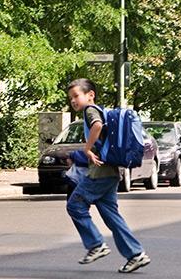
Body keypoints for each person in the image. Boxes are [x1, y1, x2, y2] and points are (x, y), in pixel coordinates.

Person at [64, 78, 150, 274]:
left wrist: (86, 149)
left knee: (75, 205)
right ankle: (136, 255)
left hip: (100, 173)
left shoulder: (90, 110)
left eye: (76, 96)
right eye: (71, 99)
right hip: (111, 171)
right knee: (112, 216)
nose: (74, 101)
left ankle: (96, 244)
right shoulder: (101, 109)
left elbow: (97, 126)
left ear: (90, 95)